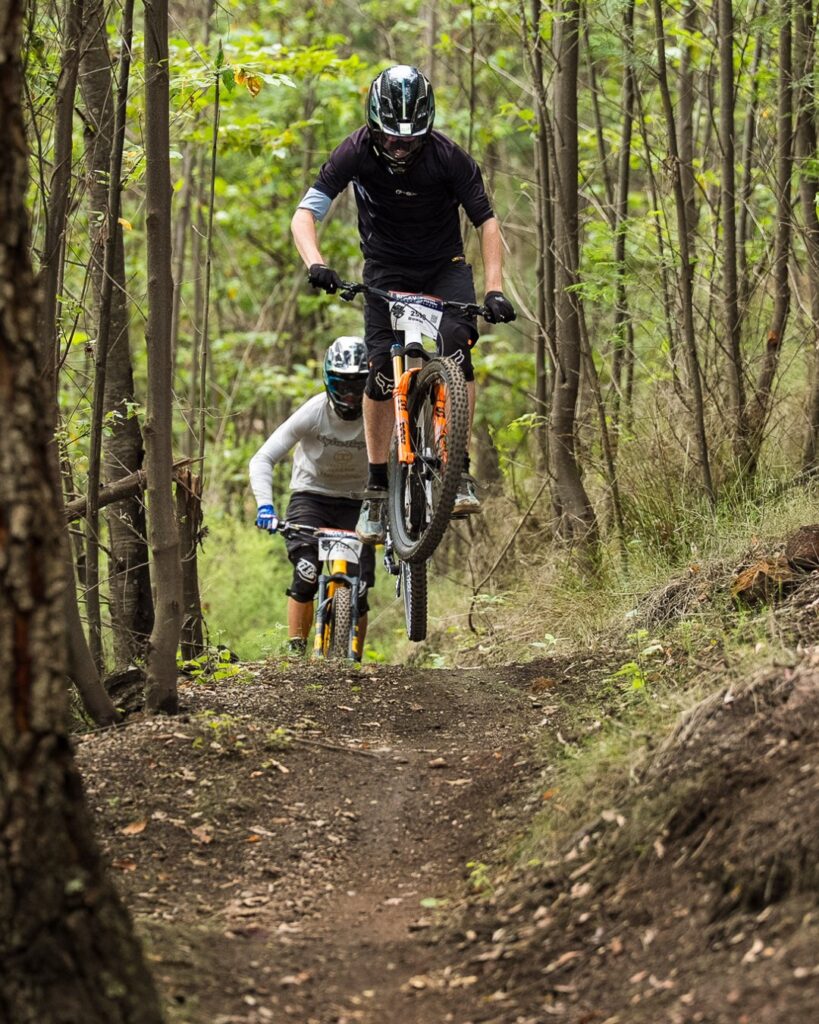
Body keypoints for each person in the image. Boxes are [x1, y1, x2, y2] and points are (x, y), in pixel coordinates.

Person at [291, 64, 516, 545]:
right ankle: (377, 488)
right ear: (374, 125)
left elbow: (488, 223)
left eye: (411, 140)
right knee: (376, 371)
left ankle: (458, 464)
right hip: (386, 269)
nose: (401, 147)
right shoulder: (353, 151)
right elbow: (306, 213)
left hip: (443, 265)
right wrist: (316, 262)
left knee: (458, 346)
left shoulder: (450, 158)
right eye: (392, 138)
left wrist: (494, 288)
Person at [249, 337, 374, 656]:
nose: (349, 394)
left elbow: (404, 464)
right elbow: (263, 458)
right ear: (328, 379)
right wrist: (265, 506)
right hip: (311, 498)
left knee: (359, 586)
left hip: (360, 500)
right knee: (306, 569)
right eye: (341, 384)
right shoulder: (313, 412)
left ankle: (353, 658)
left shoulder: (379, 413)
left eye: (358, 385)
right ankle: (295, 650)